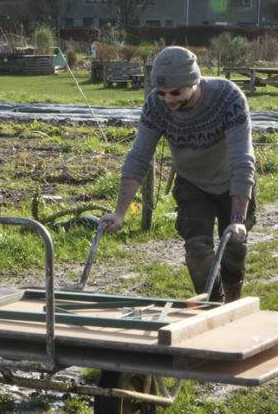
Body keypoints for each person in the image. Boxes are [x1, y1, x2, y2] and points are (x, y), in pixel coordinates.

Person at [99, 46, 256, 302]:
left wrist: (238, 217)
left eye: (175, 92)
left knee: (234, 248)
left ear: (194, 83)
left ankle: (233, 296)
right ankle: (212, 304)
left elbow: (242, 158)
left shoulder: (228, 97)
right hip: (192, 182)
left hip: (232, 178)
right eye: (161, 93)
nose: (168, 100)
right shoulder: (155, 105)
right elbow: (139, 156)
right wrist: (119, 212)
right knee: (197, 251)